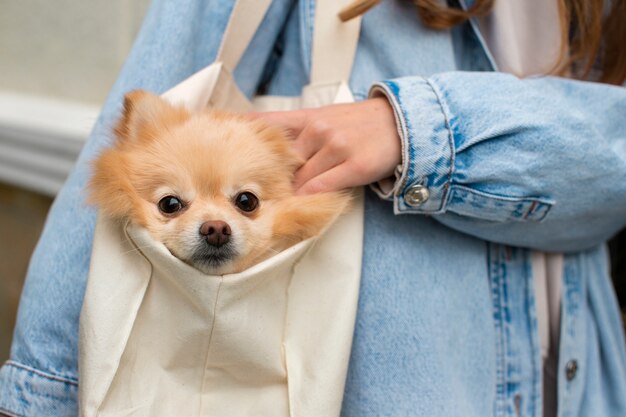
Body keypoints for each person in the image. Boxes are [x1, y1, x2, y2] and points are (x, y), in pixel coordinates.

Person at [1, 0, 625, 416]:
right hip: (385, 377)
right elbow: (127, 159)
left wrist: (412, 129)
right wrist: (47, 389)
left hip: (581, 365)